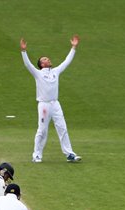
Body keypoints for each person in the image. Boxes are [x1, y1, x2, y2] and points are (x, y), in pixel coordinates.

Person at [20, 35, 81, 163]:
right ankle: (37, 155)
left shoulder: (56, 71)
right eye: (45, 59)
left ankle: (69, 154)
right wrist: (24, 51)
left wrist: (74, 47)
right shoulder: (38, 73)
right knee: (42, 130)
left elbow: (66, 61)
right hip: (44, 105)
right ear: (42, 64)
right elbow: (28, 65)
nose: (48, 59)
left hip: (55, 104)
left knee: (62, 128)